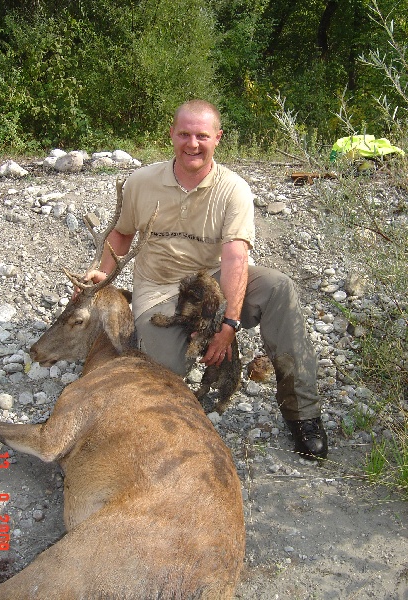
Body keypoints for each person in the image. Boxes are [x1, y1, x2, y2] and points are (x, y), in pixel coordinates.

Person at [85, 99, 328, 460]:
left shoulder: (233, 189)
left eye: (201, 135)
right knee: (167, 367)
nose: (192, 144)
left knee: (279, 288)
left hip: (210, 282)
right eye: (184, 134)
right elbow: (121, 234)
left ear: (218, 138)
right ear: (171, 134)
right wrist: (102, 274)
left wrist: (228, 323)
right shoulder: (141, 182)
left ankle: (302, 413)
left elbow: (235, 258)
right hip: (158, 291)